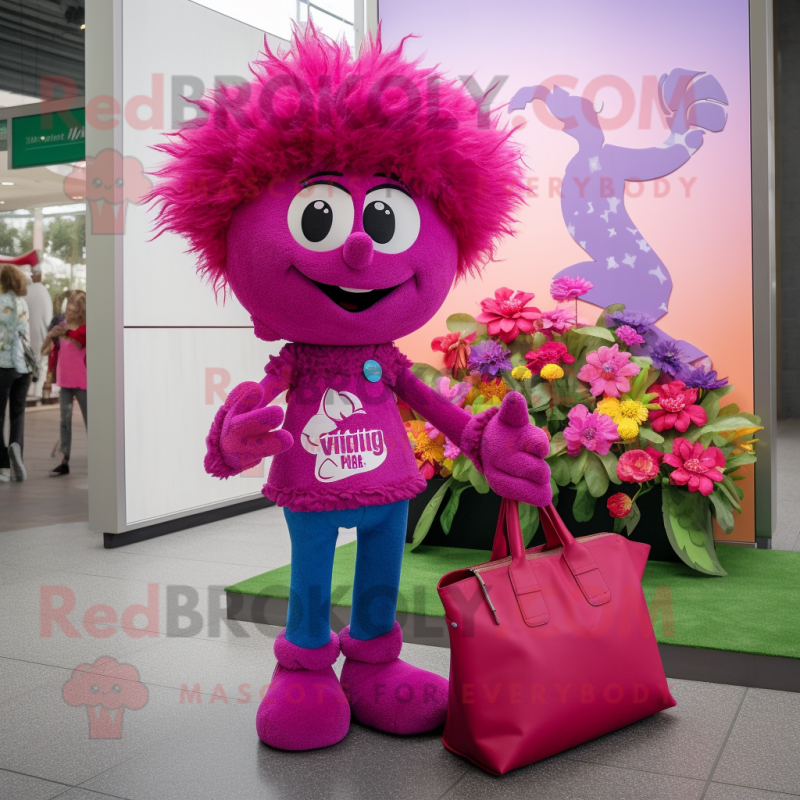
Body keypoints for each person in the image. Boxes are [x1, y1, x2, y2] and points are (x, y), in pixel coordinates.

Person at [41, 290, 86, 476]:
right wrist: (50, 335)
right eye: (68, 305)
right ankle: (64, 460)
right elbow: (47, 351)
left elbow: (80, 341)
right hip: (65, 382)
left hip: (84, 383)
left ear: (81, 309)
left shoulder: (85, 327)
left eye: (73, 305)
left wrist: (66, 333)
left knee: (91, 421)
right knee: (64, 422)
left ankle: (102, 457)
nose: (69, 308)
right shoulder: (61, 326)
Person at [0, 264, 32, 482]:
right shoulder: (22, 303)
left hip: (4, 366)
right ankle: (16, 449)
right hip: (24, 368)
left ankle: (2, 465)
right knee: (18, 413)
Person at [24, 264, 52, 399]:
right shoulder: (43, 291)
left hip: (28, 334)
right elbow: (48, 317)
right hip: (41, 333)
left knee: (30, 362)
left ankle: (29, 389)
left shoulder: (26, 291)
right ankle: (38, 390)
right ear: (39, 275)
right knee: (42, 362)